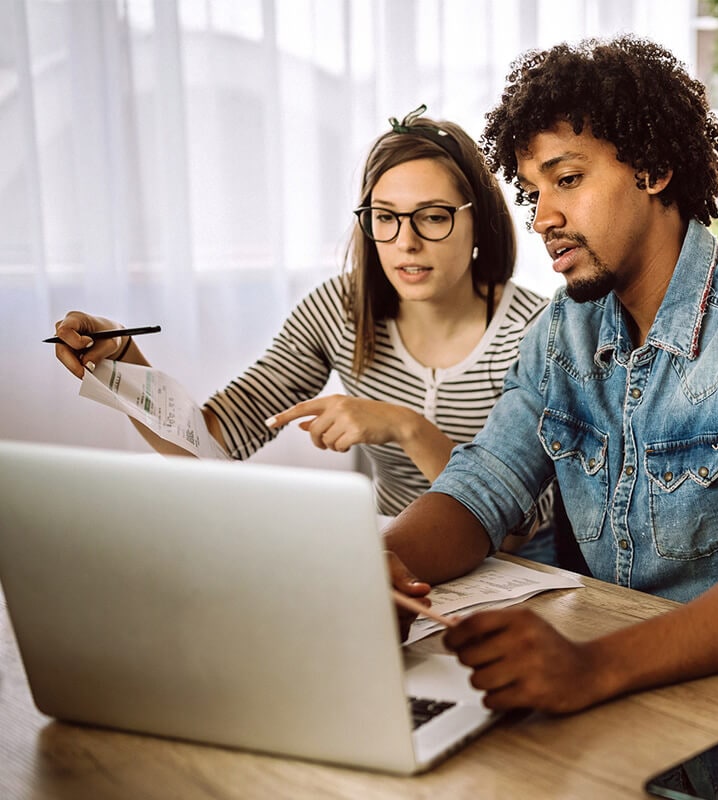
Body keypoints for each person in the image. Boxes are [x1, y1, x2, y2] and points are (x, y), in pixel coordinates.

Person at [383, 35, 718, 714]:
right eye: (534, 191)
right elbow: (483, 485)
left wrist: (592, 669)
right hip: (650, 690)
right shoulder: (562, 333)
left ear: (655, 168)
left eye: (567, 179)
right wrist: (379, 566)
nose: (543, 218)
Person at [49, 107, 554, 557]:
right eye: (385, 218)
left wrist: (406, 426)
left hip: (516, 573)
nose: (406, 242)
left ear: (478, 223)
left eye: (433, 217)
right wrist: (122, 358)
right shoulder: (337, 309)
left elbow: (519, 528)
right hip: (391, 563)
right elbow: (208, 443)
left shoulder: (537, 330)